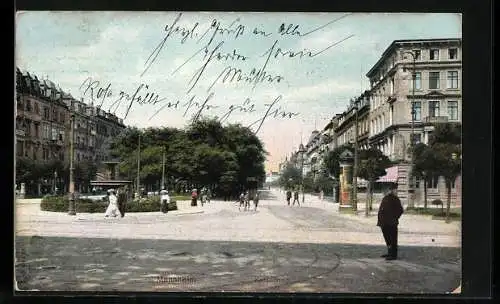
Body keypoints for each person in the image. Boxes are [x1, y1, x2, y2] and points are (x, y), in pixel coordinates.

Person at [377, 185, 404, 260]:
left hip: (392, 222)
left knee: (393, 239)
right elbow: (381, 209)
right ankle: (389, 252)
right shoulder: (385, 198)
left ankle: (393, 255)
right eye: (395, 190)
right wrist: (380, 221)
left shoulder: (395, 199)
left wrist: (395, 217)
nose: (396, 191)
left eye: (396, 190)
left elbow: (400, 210)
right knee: (387, 238)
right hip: (384, 222)